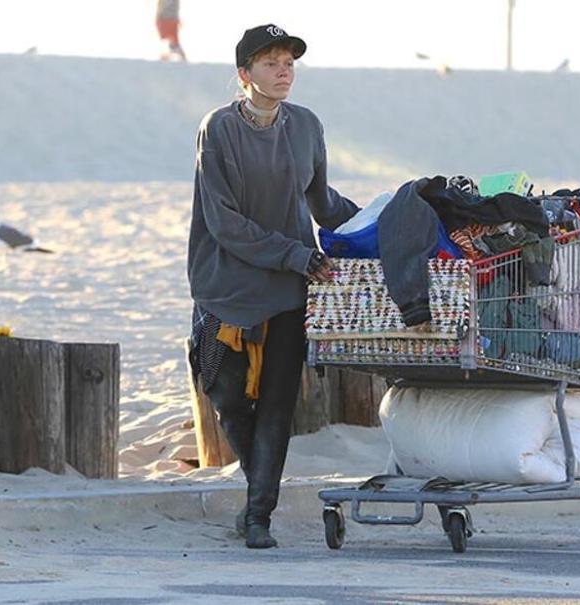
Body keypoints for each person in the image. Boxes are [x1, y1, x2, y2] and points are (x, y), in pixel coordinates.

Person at [187, 24, 359, 548]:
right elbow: (225, 222)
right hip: (226, 285)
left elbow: (322, 203)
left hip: (290, 285)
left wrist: (378, 221)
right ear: (245, 75)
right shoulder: (218, 129)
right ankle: (257, 495)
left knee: (280, 404)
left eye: (288, 62)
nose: (284, 71)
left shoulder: (307, 126)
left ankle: (259, 514)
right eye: (270, 63)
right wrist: (296, 253)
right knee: (228, 398)